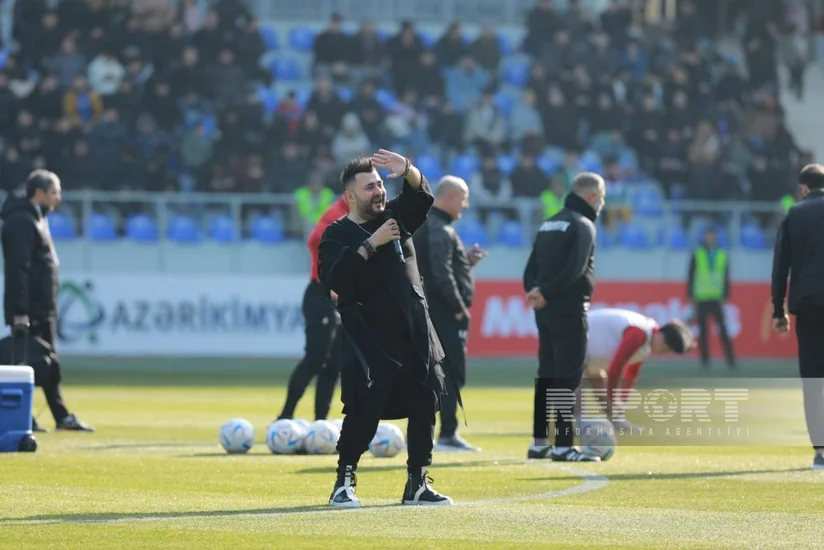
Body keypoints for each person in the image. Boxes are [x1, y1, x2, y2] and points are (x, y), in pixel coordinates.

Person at [318, 149, 453, 507]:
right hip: (370, 337)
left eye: (380, 184)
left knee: (425, 402)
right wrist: (370, 244)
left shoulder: (397, 216)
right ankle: (344, 482)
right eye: (369, 187)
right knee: (364, 408)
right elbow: (335, 280)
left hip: (415, 331)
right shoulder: (337, 234)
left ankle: (417, 483)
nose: (378, 191)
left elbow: (422, 196)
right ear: (350, 196)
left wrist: (407, 169)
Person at [1, 170, 94, 432]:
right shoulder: (21, 221)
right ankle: (25, 416)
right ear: (39, 192)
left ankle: (59, 416)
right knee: (22, 364)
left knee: (47, 362)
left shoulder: (36, 218)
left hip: (42, 307)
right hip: (29, 309)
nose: (58, 198)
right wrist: (20, 311)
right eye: (54, 192)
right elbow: (18, 269)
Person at [522, 172, 605, 462]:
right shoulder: (583, 225)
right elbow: (576, 269)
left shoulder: (549, 223)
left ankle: (539, 442)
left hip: (544, 311)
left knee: (546, 374)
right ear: (593, 196)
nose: (602, 204)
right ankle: (563, 446)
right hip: (570, 308)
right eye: (602, 197)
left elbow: (530, 268)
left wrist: (535, 292)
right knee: (567, 378)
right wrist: (546, 292)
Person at [413, 175, 487, 452]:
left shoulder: (431, 226)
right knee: (450, 373)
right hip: (443, 314)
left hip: (431, 312)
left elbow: (439, 267)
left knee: (435, 373)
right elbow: (440, 273)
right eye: (463, 199)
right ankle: (446, 433)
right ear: (450, 198)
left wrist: (465, 263)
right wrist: (457, 307)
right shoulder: (440, 229)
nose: (465, 206)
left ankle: (429, 432)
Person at [276, 195, 349, 422]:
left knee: (334, 365)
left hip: (345, 298)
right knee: (316, 358)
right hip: (322, 293)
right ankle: (285, 416)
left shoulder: (366, 216)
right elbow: (315, 240)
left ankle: (320, 422)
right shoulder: (337, 213)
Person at [771, 163, 824, 470]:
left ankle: (821, 451)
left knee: (814, 381)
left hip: (809, 306)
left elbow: (781, 267)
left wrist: (778, 311)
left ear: (804, 188)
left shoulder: (794, 214)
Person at [577, 308, 695, 428]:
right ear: (661, 334)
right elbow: (615, 369)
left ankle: (616, 420)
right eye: (666, 346)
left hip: (589, 350)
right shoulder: (639, 334)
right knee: (576, 379)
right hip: (578, 335)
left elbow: (632, 373)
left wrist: (622, 401)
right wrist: (614, 399)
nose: (664, 350)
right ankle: (579, 420)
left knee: (598, 381)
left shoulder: (647, 340)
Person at [687, 227, 736, 369]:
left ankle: (731, 360)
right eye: (708, 235)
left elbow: (726, 276)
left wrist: (725, 295)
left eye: (712, 235)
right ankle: (705, 361)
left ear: (715, 237)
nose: (710, 238)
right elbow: (691, 275)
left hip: (716, 298)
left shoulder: (722, 253)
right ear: (704, 236)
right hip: (701, 297)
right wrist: (691, 295)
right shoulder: (697, 253)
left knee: (723, 330)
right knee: (703, 331)